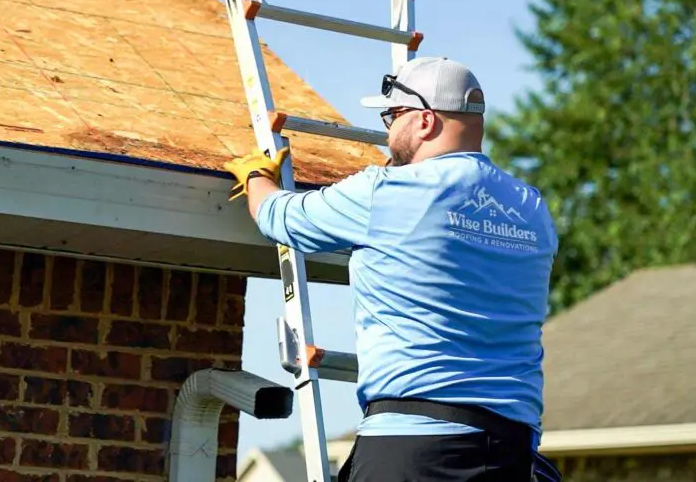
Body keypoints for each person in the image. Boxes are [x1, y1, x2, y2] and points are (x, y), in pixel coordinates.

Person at [223, 57, 563, 481]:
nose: (387, 131)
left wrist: (257, 175)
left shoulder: (387, 192)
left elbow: (281, 218)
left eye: (392, 115)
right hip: (511, 453)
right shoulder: (532, 209)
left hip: (412, 444)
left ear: (424, 120)